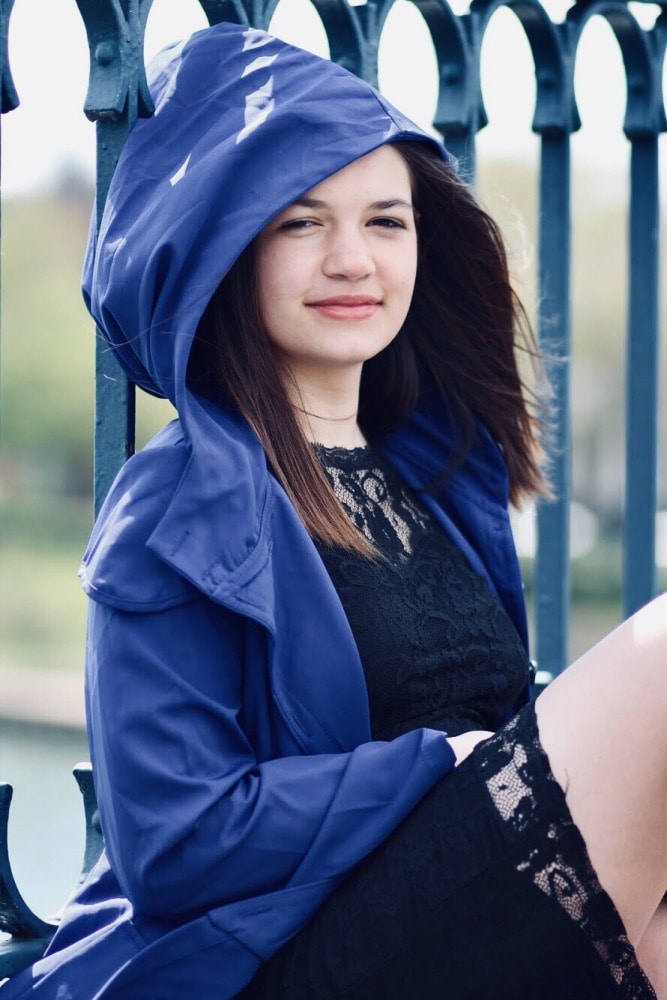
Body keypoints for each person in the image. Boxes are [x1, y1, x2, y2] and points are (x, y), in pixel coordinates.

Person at [3, 20, 665, 1000]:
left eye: (385, 221)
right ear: (231, 248)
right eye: (301, 221)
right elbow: (177, 843)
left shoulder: (437, 475)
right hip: (286, 952)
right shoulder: (175, 503)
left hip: (455, 907)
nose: (353, 258)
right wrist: (432, 764)